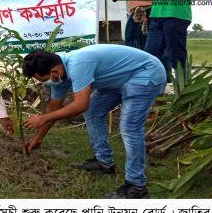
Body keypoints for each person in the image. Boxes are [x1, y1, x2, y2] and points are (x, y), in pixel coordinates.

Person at [21, 45, 166, 198]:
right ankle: (104, 163)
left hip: (146, 73)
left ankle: (136, 186)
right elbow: (53, 109)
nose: (45, 84)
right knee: (94, 112)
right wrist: (37, 138)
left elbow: (80, 105)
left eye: (44, 80)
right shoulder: (58, 77)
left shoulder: (78, 63)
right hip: (118, 80)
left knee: (130, 128)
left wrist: (42, 118)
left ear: (54, 72)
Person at [122, 0, 193, 78]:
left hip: (175, 14)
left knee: (176, 57)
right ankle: (156, 88)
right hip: (157, 13)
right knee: (150, 56)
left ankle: (183, 91)